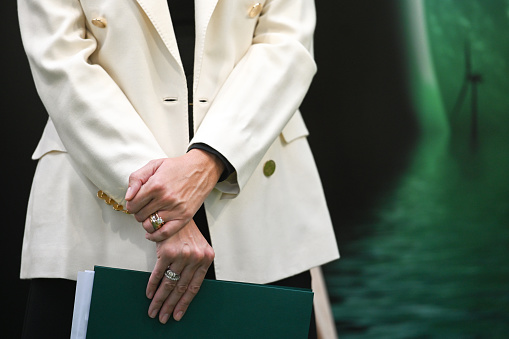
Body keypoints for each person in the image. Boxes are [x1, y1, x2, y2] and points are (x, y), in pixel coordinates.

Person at [18, 0, 339, 337]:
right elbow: (61, 62)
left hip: (251, 191)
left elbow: (286, 42)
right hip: (101, 197)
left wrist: (211, 158)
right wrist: (164, 206)